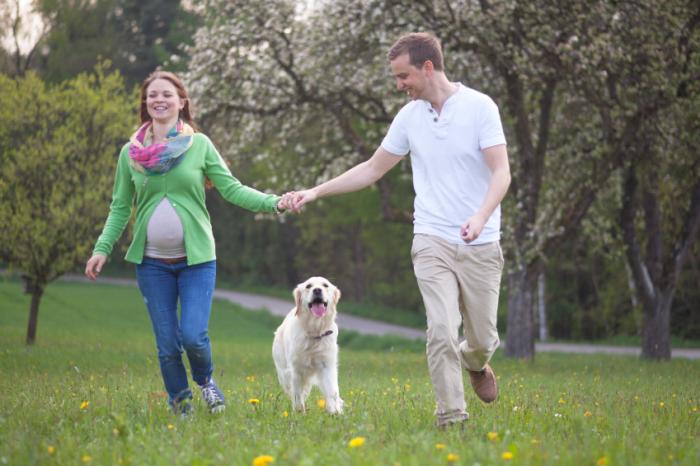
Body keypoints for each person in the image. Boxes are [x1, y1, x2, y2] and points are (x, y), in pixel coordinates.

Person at [290, 32, 511, 428]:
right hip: (431, 239)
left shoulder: (480, 107)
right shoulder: (409, 117)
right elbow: (373, 168)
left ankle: (475, 361)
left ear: (428, 67)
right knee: (441, 329)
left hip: (482, 240)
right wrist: (316, 192)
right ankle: (452, 417)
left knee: (482, 337)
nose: (399, 85)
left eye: (403, 76)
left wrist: (480, 216)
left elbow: (501, 172)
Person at [85, 71, 294, 416]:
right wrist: (102, 248)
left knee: (194, 336)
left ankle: (206, 381)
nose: (159, 100)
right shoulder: (130, 154)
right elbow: (120, 207)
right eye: (152, 95)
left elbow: (232, 188)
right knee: (167, 344)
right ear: (145, 103)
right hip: (152, 265)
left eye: (167, 94)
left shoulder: (199, 145)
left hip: (197, 261)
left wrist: (274, 202)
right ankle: (181, 403)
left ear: (181, 102)